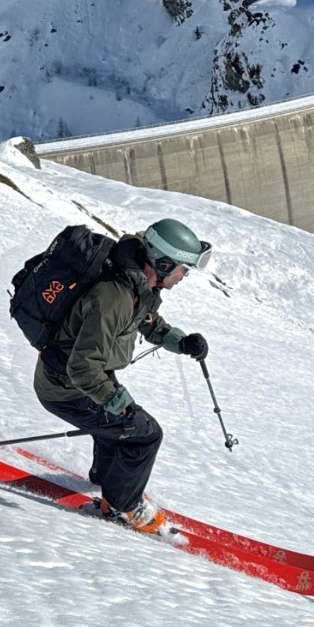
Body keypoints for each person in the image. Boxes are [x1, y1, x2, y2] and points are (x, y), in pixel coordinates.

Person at [32, 217, 211, 534]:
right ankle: (123, 505)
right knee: (144, 433)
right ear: (163, 264)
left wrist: (181, 342)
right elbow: (83, 367)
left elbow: (147, 321)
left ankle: (111, 486)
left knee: (118, 427)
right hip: (65, 386)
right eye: (183, 269)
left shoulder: (135, 283)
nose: (184, 276)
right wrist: (118, 403)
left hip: (75, 380)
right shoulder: (114, 295)